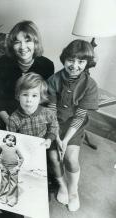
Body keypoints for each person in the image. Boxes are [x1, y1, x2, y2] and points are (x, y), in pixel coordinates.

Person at [47, 39, 99, 212]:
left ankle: (73, 190)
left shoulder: (90, 85)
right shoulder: (54, 79)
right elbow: (52, 109)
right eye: (71, 59)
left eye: (81, 61)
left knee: (70, 157)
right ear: (64, 59)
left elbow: (80, 115)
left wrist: (65, 139)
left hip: (73, 128)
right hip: (54, 125)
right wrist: (56, 135)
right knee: (54, 157)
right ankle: (62, 185)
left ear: (87, 63)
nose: (75, 65)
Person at [0, 20, 54, 128]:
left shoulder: (47, 65)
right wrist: (9, 121)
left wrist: (34, 122)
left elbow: (46, 99)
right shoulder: (3, 62)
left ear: (36, 43)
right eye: (17, 42)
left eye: (28, 41)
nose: (23, 47)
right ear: (12, 45)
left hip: (36, 118)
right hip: (9, 117)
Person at [6, 73, 59, 149]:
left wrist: (49, 139)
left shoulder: (48, 113)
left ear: (40, 98)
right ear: (18, 96)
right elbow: (11, 138)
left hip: (44, 145)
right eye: (25, 94)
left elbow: (54, 126)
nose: (29, 100)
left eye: (34, 96)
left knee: (54, 159)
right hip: (24, 147)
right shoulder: (13, 119)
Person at [0, 134, 24, 207]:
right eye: (9, 140)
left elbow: (21, 158)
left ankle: (12, 199)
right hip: (4, 167)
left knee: (13, 184)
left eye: (13, 141)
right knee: (4, 183)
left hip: (14, 168)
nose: (11, 142)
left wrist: (18, 167)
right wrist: (0, 164)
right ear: (5, 139)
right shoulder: (1, 147)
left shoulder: (16, 148)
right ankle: (3, 197)